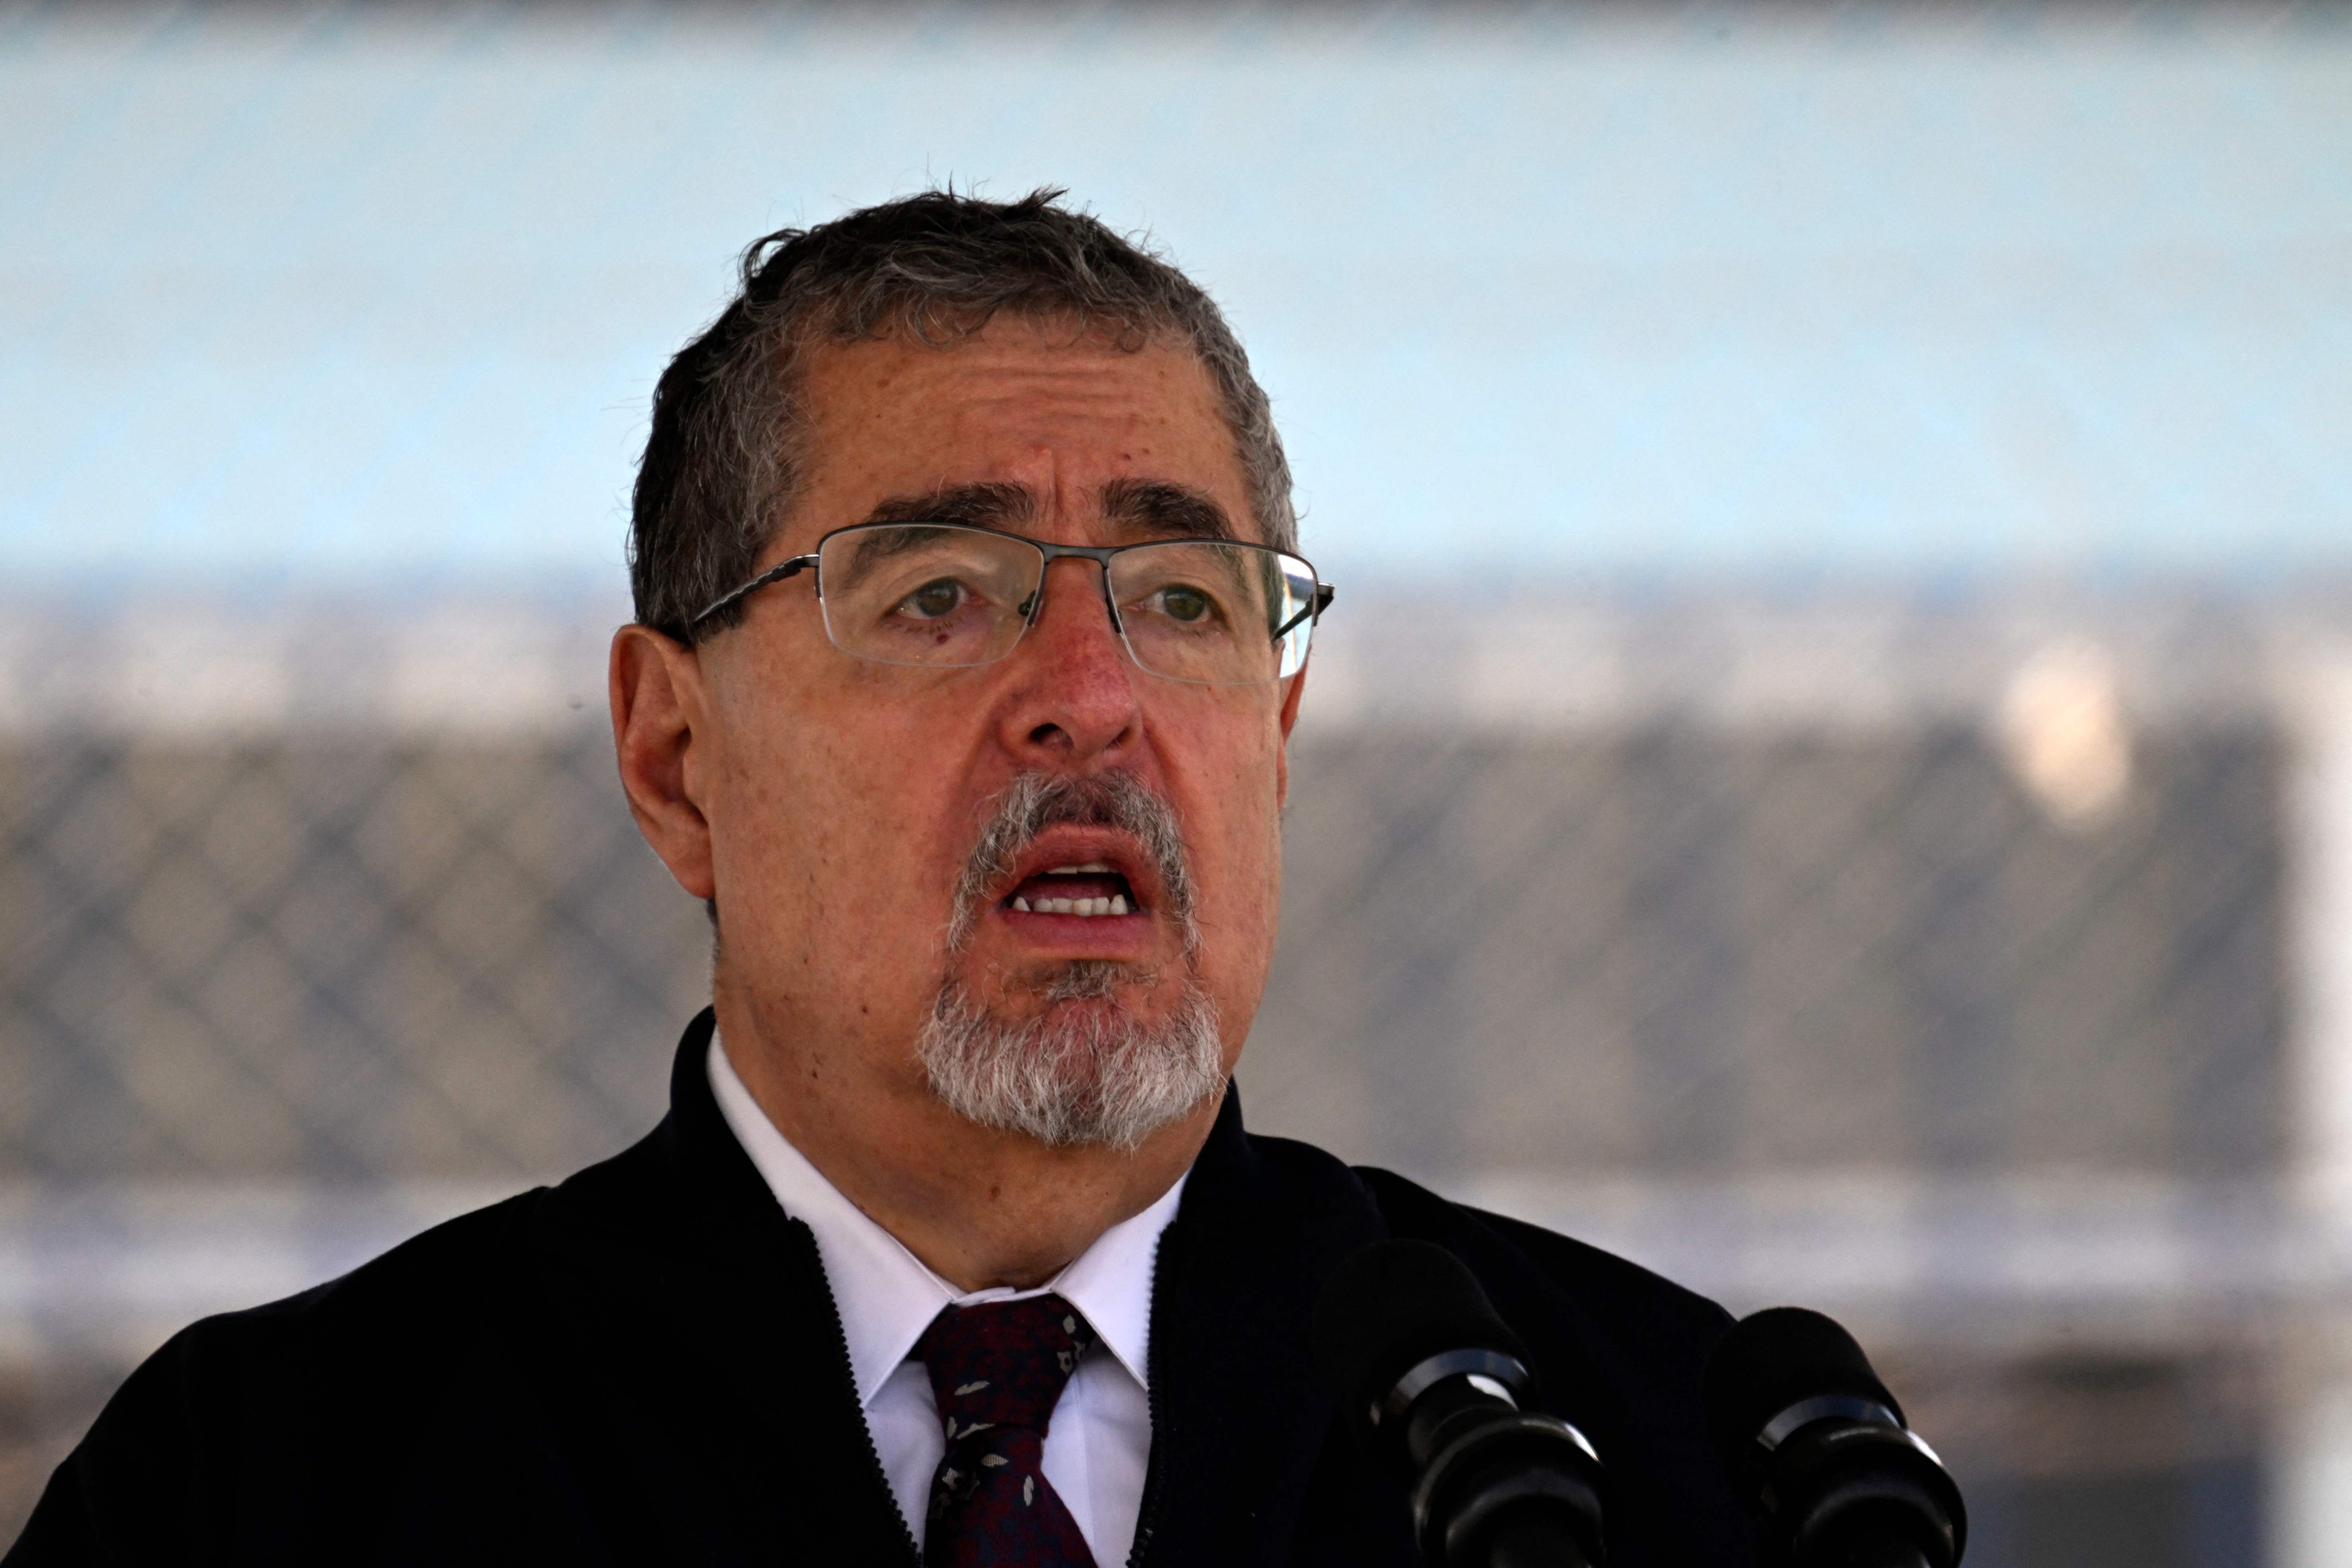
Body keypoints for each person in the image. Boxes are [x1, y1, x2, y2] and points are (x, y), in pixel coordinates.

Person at [9, 190, 1759, 1566]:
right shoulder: (274, 1490)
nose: (1092, 696)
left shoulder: (1661, 1457)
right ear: (674, 756)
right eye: (941, 593)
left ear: (1279, 732)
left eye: (1182, 598)